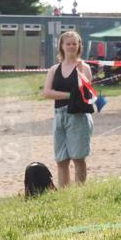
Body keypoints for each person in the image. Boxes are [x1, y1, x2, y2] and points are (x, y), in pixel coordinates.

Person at [43, 30, 95, 188]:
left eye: (74, 43)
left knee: (78, 158)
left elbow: (86, 92)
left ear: (79, 46)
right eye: (68, 43)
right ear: (62, 46)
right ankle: (65, 193)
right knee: (61, 159)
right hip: (59, 116)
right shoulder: (54, 69)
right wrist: (69, 95)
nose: (71, 46)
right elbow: (47, 92)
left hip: (78, 116)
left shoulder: (84, 67)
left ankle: (80, 192)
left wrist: (73, 92)